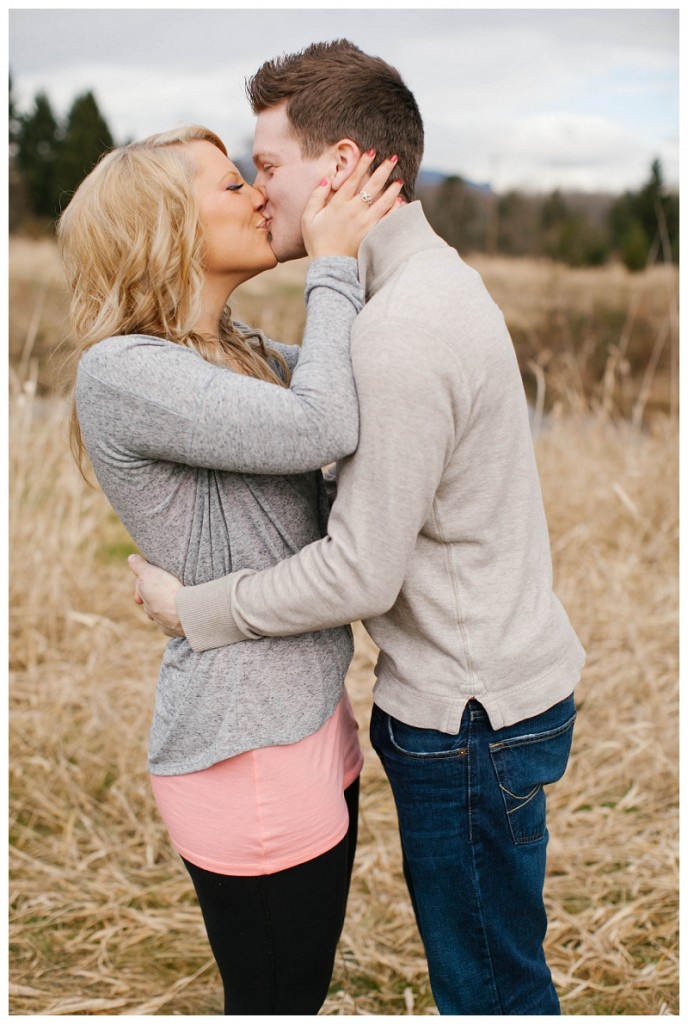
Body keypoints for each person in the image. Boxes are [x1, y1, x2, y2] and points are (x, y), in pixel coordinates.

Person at [131, 40, 587, 1016]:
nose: (258, 192)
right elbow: (316, 398)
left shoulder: (400, 331)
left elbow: (360, 573)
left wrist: (193, 607)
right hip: (494, 693)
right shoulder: (418, 289)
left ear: (337, 166)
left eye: (270, 164)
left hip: (469, 718)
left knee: (491, 989)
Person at [58, 123, 403, 1015]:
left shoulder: (238, 349)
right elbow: (323, 426)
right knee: (276, 1000)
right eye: (228, 186)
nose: (257, 194)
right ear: (163, 229)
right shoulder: (124, 371)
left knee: (301, 990)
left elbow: (357, 388)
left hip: (309, 713)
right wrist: (331, 261)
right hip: (244, 744)